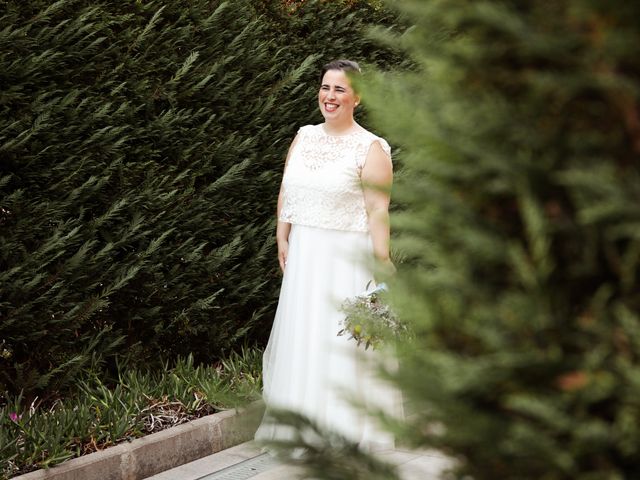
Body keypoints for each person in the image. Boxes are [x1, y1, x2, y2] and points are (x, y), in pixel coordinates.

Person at [254, 59, 402, 451]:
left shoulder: (371, 148)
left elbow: (378, 210)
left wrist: (381, 260)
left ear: (357, 97)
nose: (329, 96)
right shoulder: (303, 136)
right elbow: (288, 188)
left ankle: (346, 430)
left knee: (340, 342)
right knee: (304, 335)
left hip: (345, 258)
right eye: (325, 87)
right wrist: (282, 234)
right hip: (305, 253)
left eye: (339, 89)